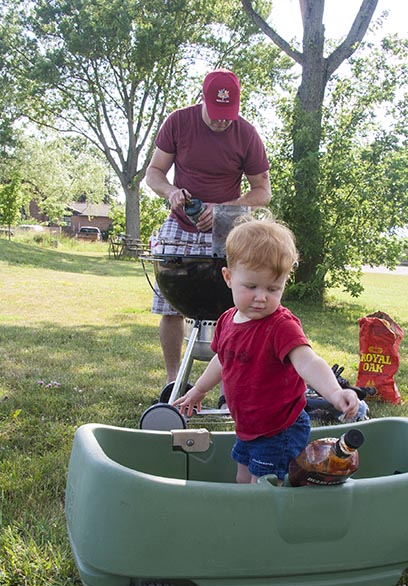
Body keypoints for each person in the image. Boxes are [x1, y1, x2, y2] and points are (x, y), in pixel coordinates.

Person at [173, 216, 360, 484]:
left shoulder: (281, 326)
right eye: (251, 287)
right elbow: (222, 360)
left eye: (273, 288)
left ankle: (268, 524)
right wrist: (199, 389)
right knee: (243, 477)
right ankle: (249, 520)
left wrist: (333, 391)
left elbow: (307, 362)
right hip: (249, 426)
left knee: (264, 485)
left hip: (279, 428)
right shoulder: (227, 319)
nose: (261, 297)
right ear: (228, 277)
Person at [145, 69, 271, 383]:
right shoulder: (178, 122)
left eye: (228, 115)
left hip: (229, 227)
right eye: (216, 114)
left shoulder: (246, 134)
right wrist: (171, 192)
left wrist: (222, 209)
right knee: (169, 306)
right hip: (180, 223)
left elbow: (262, 192)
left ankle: (231, 383)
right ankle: (174, 380)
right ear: (203, 99)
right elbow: (154, 172)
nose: (221, 121)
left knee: (238, 305)